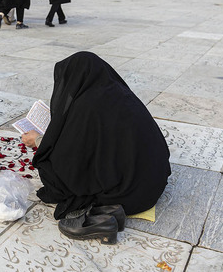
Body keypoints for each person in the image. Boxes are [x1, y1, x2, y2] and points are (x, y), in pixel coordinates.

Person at [21, 52, 171, 242]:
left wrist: (39, 141)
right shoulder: (117, 92)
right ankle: (112, 210)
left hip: (132, 194)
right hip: (154, 182)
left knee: (54, 172)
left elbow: (70, 164)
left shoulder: (87, 108)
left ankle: (104, 218)